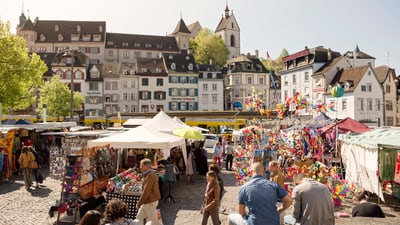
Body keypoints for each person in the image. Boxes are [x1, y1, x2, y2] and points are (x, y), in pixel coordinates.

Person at [228, 162, 292, 225]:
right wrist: (279, 210)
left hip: (254, 222)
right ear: (263, 172)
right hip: (273, 222)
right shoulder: (273, 185)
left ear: (251, 171)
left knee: (230, 217)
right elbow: (289, 200)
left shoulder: (244, 188)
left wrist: (248, 215)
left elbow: (241, 212)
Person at [135, 158, 162, 225]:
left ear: (146, 166)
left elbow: (146, 191)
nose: (140, 167)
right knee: (138, 218)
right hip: (148, 201)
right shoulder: (149, 174)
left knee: (154, 221)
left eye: (141, 165)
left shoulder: (150, 175)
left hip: (150, 201)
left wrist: (139, 203)